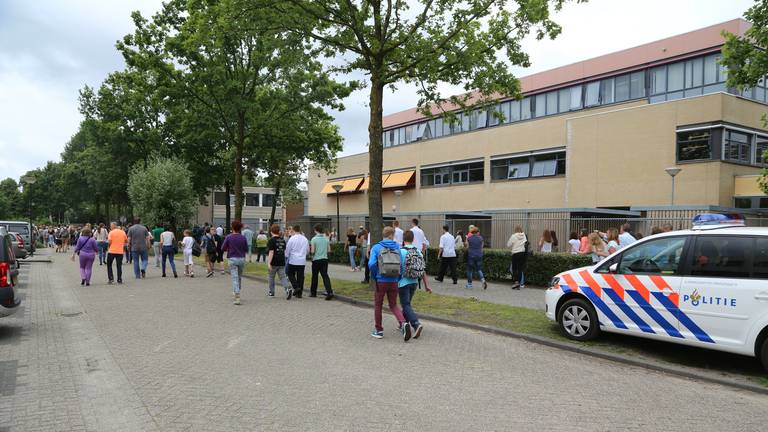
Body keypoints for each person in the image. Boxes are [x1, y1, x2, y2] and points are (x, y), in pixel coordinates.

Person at [368, 226, 408, 340]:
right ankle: (403, 323)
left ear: (383, 235)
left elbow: (371, 264)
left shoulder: (376, 247)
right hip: (394, 280)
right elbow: (401, 265)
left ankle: (379, 330)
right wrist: (398, 277)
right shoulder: (397, 248)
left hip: (381, 280)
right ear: (392, 235)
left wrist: (376, 275)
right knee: (394, 305)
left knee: (378, 305)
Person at [399, 230, 432, 341]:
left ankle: (416, 324)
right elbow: (422, 269)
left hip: (403, 282)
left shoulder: (401, 251)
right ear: (413, 239)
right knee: (406, 304)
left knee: (406, 304)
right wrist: (426, 285)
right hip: (414, 282)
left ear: (403, 239)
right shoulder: (417, 251)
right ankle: (403, 324)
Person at [221, 220, 248, 305]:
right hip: (241, 259)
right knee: (239, 277)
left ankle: (237, 296)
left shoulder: (228, 237)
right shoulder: (243, 237)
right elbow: (246, 249)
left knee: (234, 278)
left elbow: (223, 248)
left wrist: (229, 248)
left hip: (232, 259)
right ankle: (237, 290)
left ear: (232, 227)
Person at [266, 224, 292, 299]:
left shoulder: (271, 240)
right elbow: (283, 250)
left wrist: (269, 263)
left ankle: (271, 292)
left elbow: (271, 252)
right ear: (278, 231)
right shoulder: (282, 240)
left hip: (274, 261)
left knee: (271, 277)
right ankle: (288, 288)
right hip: (281, 261)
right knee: (283, 277)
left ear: (271, 231)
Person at [309, 224, 333, 300]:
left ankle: (313, 293)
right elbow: (329, 250)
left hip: (316, 260)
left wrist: (311, 257)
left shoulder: (314, 239)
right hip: (324, 259)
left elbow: (313, 251)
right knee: (325, 276)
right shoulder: (326, 238)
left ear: (315, 230)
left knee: (315, 276)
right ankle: (329, 291)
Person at [285, 225, 309, 299]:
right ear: (300, 229)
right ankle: (300, 293)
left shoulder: (292, 239)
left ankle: (296, 287)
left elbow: (287, 249)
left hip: (293, 260)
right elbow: (307, 250)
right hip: (302, 260)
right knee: (300, 276)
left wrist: (286, 255)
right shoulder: (305, 239)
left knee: (290, 273)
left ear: (294, 230)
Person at [507, 225, 527, 290]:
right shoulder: (524, 236)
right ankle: (519, 283)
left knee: (514, 268)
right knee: (520, 269)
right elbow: (525, 244)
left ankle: (516, 282)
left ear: (515, 230)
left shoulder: (513, 236)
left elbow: (508, 244)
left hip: (515, 253)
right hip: (522, 253)